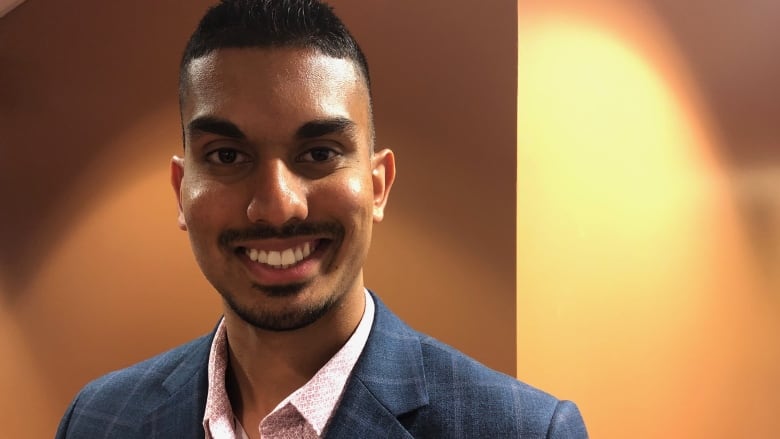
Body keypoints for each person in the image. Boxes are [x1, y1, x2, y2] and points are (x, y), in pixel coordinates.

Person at [55, 0, 588, 437]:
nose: (278, 204)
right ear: (181, 190)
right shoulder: (97, 420)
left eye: (319, 154)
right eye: (225, 156)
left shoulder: (524, 430)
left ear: (378, 186)